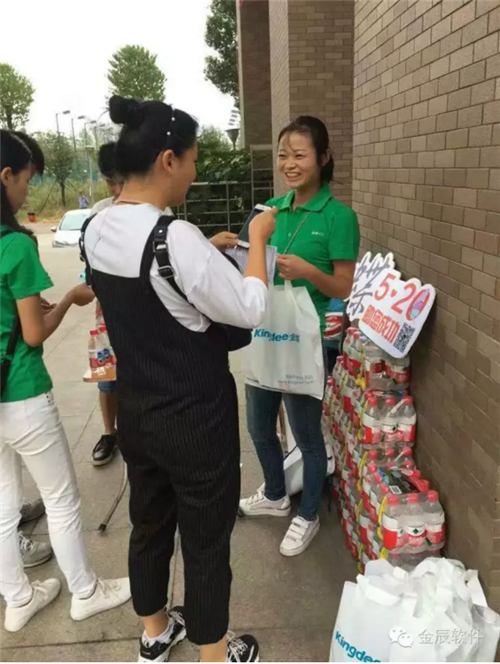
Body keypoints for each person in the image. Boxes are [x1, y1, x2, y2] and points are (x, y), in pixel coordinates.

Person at [83, 95, 276, 663]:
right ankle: (214, 653)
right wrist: (258, 240)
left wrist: (205, 256)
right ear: (168, 160)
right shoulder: (175, 237)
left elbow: (145, 288)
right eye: (192, 159)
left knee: (148, 525)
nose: (194, 171)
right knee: (205, 541)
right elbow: (250, 307)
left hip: (138, 412)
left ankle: (155, 632)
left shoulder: (96, 227)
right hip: (196, 419)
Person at [0, 129, 131, 633]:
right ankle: (85, 591)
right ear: (5, 176)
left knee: (3, 505)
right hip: (21, 393)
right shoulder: (15, 244)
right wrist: (72, 299)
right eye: (24, 180)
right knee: (60, 499)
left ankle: (17, 600)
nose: (26, 190)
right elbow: (33, 333)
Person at [240, 116, 360, 557]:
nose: (289, 164)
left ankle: (307, 514)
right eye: (283, 155)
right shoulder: (269, 212)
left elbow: (344, 287)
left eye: (299, 155)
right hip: (266, 334)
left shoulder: (339, 217)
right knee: (258, 425)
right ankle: (275, 494)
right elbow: (244, 263)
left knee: (306, 433)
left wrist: (309, 271)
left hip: (306, 341)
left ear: (323, 158)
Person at [88, 143, 123, 466]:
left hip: (145, 311)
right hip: (106, 310)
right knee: (106, 377)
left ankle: (140, 431)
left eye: (121, 181)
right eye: (111, 182)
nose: (116, 190)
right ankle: (109, 433)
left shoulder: (159, 212)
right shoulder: (97, 214)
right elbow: (89, 268)